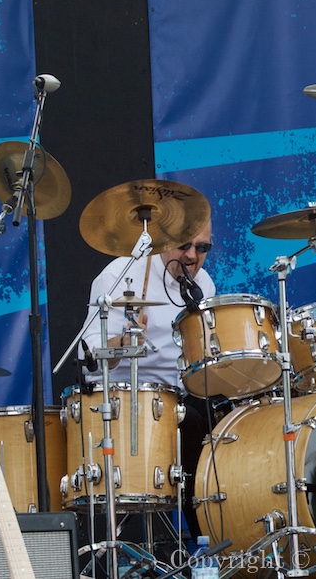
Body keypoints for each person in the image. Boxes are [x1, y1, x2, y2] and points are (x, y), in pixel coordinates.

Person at [78, 220, 216, 540]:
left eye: (202, 247)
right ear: (164, 241)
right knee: (194, 423)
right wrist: (122, 344)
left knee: (225, 424)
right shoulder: (120, 276)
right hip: (127, 401)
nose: (192, 255)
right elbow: (88, 360)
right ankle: (196, 539)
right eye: (184, 246)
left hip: (182, 395)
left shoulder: (204, 284)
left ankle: (217, 542)